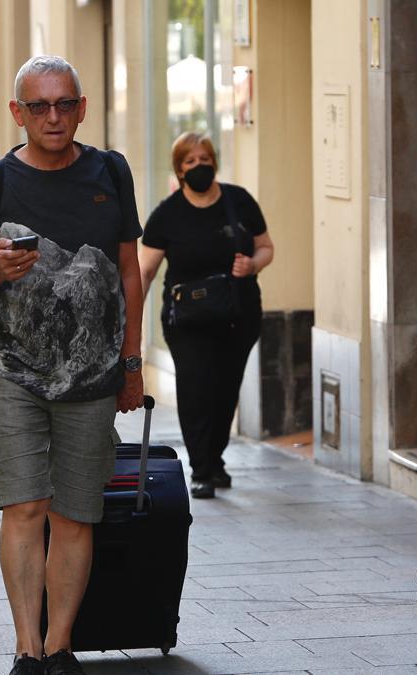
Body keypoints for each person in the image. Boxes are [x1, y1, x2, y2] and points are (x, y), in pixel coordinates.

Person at [0, 55, 143, 675]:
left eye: (65, 104)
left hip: (92, 378)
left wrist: (132, 364)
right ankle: (28, 650)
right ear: (18, 113)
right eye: (39, 106)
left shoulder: (111, 171)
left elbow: (129, 273)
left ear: (82, 108)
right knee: (25, 506)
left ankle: (61, 647)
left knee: (76, 513)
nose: (53, 117)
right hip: (15, 373)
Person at [138, 132, 274, 499]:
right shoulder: (167, 215)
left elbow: (265, 247)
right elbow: (145, 271)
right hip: (188, 322)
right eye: (189, 161)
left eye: (204, 158)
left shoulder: (239, 201)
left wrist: (253, 265)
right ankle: (200, 468)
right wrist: (129, 320)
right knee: (197, 388)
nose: (199, 165)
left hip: (238, 315)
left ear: (215, 161)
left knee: (226, 389)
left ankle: (215, 458)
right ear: (179, 170)